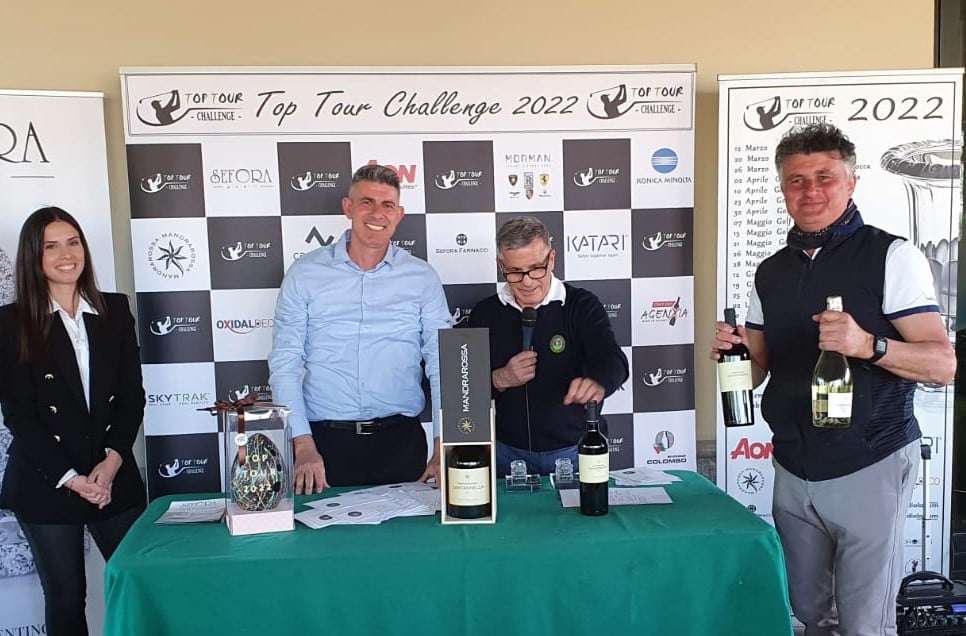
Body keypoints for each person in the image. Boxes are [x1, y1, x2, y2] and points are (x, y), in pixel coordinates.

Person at [710, 123, 955, 636]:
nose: (810, 191)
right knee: (809, 614)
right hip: (793, 463)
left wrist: (869, 345)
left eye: (825, 177)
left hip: (869, 458)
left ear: (851, 183)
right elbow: (759, 367)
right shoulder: (770, 271)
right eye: (796, 180)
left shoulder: (892, 256)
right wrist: (734, 354)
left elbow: (942, 364)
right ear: (783, 189)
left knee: (864, 624)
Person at [0, 207, 146, 636]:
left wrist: (112, 462)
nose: (66, 255)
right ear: (34, 256)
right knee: (65, 598)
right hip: (47, 478)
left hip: (111, 473)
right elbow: (21, 416)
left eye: (73, 242)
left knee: (137, 584)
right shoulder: (10, 324)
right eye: (51, 246)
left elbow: (132, 397)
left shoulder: (114, 310)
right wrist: (72, 478)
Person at [269, 164, 451, 493]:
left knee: (409, 529)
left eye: (387, 205)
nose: (377, 213)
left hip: (402, 444)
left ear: (399, 214)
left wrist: (444, 445)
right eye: (367, 202)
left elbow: (442, 363)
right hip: (324, 448)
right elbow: (285, 363)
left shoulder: (422, 278)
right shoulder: (304, 273)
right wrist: (302, 444)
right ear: (348, 207)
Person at [465, 216, 628, 476]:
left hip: (574, 451)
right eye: (515, 271)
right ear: (500, 265)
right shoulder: (485, 313)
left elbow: (614, 359)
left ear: (552, 259)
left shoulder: (581, 305)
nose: (527, 281)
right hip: (506, 454)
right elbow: (463, 389)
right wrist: (500, 378)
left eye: (536, 268)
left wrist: (599, 382)